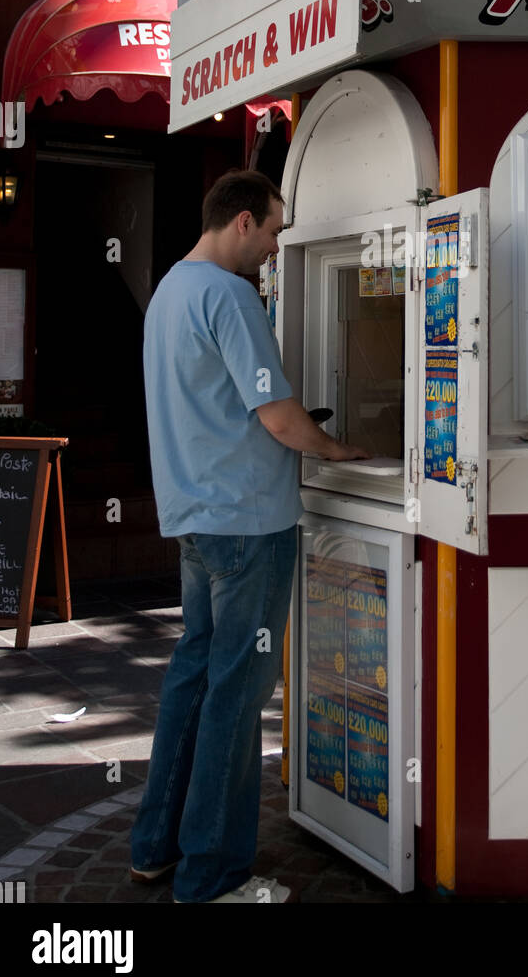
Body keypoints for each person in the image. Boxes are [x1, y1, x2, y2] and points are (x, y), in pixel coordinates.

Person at [130, 169, 368, 904]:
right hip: (251, 524)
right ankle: (212, 878)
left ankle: (155, 850)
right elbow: (277, 416)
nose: (275, 245)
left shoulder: (168, 291)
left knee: (193, 682)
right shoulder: (229, 296)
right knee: (234, 701)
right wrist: (337, 450)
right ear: (240, 221)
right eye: (271, 230)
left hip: (196, 523)